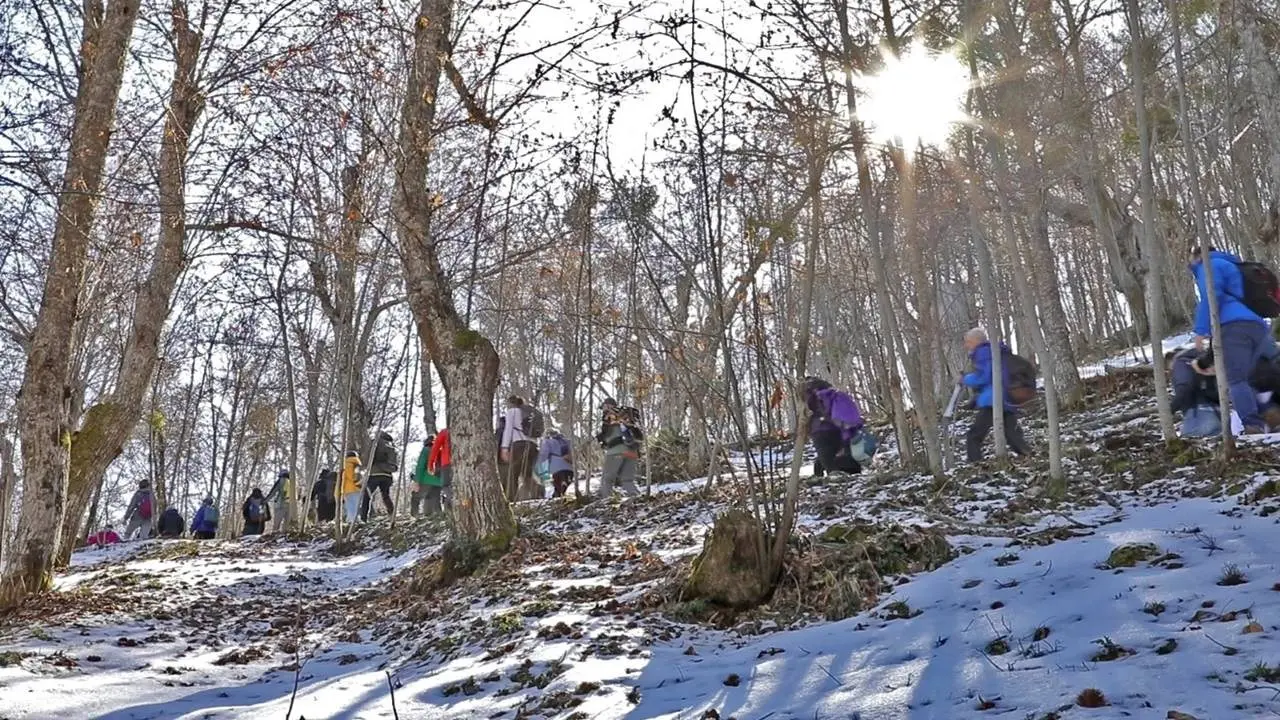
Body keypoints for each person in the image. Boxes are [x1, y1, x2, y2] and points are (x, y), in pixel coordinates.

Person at [1189, 247, 1280, 434]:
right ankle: (1270, 413)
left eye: (1191, 260)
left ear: (1198, 255)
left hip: (1233, 325)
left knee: (1236, 379)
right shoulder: (1232, 265)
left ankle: (1253, 426)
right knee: (1252, 376)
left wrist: (1200, 330)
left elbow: (1212, 296)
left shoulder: (1209, 265)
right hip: (1256, 325)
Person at [962, 328, 1033, 462]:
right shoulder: (995, 351)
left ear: (976, 341)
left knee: (974, 435)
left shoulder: (983, 352)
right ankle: (1028, 455)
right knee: (1012, 435)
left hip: (992, 401)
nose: (966, 346)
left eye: (968, 342)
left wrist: (966, 379)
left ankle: (975, 463)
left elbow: (985, 377)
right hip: (1007, 398)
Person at [803, 377, 866, 476]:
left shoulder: (810, 395)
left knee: (828, 461)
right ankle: (841, 478)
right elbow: (845, 423)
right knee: (836, 457)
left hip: (818, 430)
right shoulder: (835, 396)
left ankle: (824, 477)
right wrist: (846, 442)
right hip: (834, 430)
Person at [596, 398, 644, 497]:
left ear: (608, 405)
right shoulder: (627, 417)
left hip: (616, 452)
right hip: (632, 452)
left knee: (607, 479)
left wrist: (601, 438)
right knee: (627, 480)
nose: (603, 409)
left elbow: (607, 435)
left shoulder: (610, 415)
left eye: (604, 406)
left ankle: (605, 502)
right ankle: (638, 498)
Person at [1170, 348, 1222, 437]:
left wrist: (1170, 410)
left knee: (1187, 444)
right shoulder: (1202, 361)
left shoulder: (1180, 363)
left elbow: (1184, 388)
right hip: (1218, 414)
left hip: (1199, 415)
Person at [498, 397, 541, 501]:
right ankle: (538, 493)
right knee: (527, 473)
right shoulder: (531, 412)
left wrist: (504, 447)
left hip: (519, 445)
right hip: (533, 446)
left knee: (512, 473)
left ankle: (511, 500)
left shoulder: (512, 412)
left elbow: (508, 430)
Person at [361, 432, 398, 521]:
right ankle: (392, 514)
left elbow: (367, 458)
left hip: (375, 473)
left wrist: (365, 466)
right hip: (387, 475)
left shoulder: (375, 443)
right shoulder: (392, 446)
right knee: (386, 495)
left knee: (367, 496)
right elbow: (395, 463)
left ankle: (364, 518)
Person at [411, 434, 445, 516]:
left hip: (426, 479)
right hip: (439, 480)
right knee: (435, 498)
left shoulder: (426, 450)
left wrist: (416, 481)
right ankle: (437, 515)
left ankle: (415, 515)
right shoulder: (441, 451)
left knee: (415, 497)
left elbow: (420, 466)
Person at [538, 427, 575, 498]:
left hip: (556, 469)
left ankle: (558, 498)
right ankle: (563, 488)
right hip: (569, 467)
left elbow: (544, 455)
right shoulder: (567, 441)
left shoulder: (547, 442)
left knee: (558, 487)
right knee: (565, 484)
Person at [428, 428, 453, 511]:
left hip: (447, 463)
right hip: (462, 462)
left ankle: (454, 501)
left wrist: (430, 464)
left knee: (445, 485)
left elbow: (435, 448)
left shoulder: (445, 432)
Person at [339, 450, 363, 524]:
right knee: (356, 505)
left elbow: (349, 477)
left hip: (348, 488)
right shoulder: (357, 464)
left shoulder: (347, 465)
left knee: (350, 505)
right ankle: (354, 519)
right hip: (357, 487)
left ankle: (351, 520)